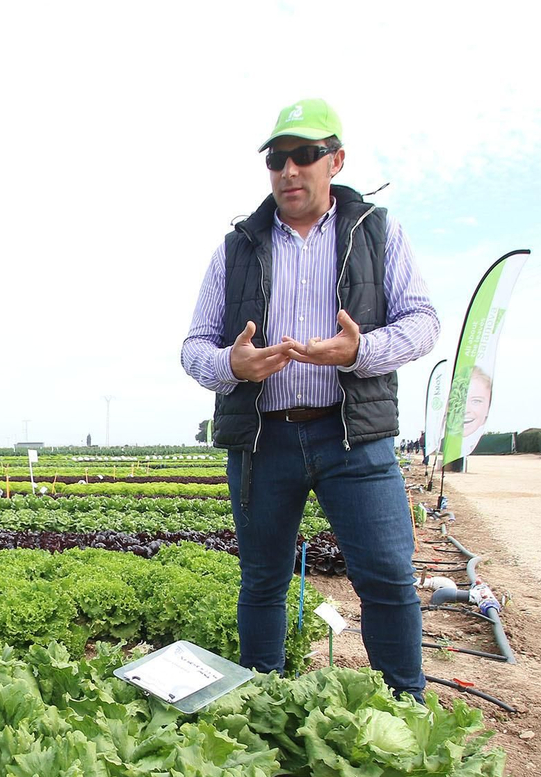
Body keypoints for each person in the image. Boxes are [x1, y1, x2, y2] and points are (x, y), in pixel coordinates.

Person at [180, 98, 440, 700]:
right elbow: (193, 347)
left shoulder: (377, 232)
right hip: (263, 440)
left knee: (387, 578)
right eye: (277, 159)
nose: (289, 170)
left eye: (305, 155)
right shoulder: (236, 247)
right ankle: (263, 708)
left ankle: (407, 711)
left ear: (336, 161)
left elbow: (423, 322)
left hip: (353, 437)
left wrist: (358, 351)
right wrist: (232, 365)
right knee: (263, 582)